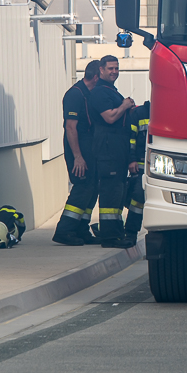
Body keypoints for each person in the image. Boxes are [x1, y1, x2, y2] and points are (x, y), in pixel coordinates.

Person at [53, 60, 103, 246]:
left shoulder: (90, 94)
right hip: (79, 148)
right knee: (83, 186)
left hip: (89, 147)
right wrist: (78, 157)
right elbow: (70, 127)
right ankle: (65, 230)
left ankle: (81, 229)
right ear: (96, 76)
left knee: (92, 187)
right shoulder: (75, 94)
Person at [88, 55, 136, 248]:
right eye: (110, 68)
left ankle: (116, 233)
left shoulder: (111, 91)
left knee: (118, 192)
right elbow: (109, 117)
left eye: (116, 68)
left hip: (117, 150)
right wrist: (124, 105)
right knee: (110, 192)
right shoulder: (100, 92)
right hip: (108, 150)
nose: (114, 72)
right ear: (101, 69)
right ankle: (109, 237)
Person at [124, 101, 150, 247]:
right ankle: (130, 233)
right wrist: (132, 160)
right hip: (141, 166)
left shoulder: (171, 113)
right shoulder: (140, 113)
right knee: (138, 199)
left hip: (165, 167)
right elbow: (131, 139)